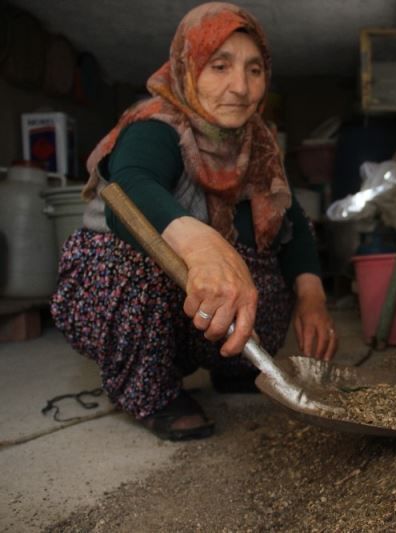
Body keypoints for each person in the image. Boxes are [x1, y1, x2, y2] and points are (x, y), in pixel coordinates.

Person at [51, 2, 336, 441]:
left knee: (261, 266)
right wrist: (202, 245)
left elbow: (292, 219)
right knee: (138, 258)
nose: (240, 87)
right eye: (220, 67)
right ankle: (151, 392)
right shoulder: (156, 124)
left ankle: (233, 363)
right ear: (188, 67)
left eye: (254, 70)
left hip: (200, 310)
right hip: (125, 290)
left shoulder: (256, 145)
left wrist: (312, 298)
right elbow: (130, 188)